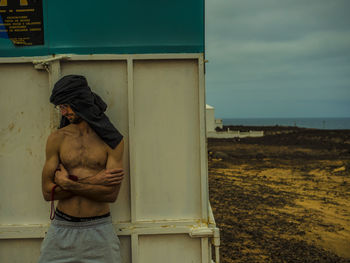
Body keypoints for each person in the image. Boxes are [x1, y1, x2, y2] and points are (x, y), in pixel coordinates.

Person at [38, 75, 124, 263]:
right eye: (60, 107)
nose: (64, 112)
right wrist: (93, 181)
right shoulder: (57, 139)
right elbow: (47, 192)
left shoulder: (112, 140)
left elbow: (111, 194)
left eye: (66, 106)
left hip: (99, 231)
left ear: (81, 102)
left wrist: (67, 183)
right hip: (61, 229)